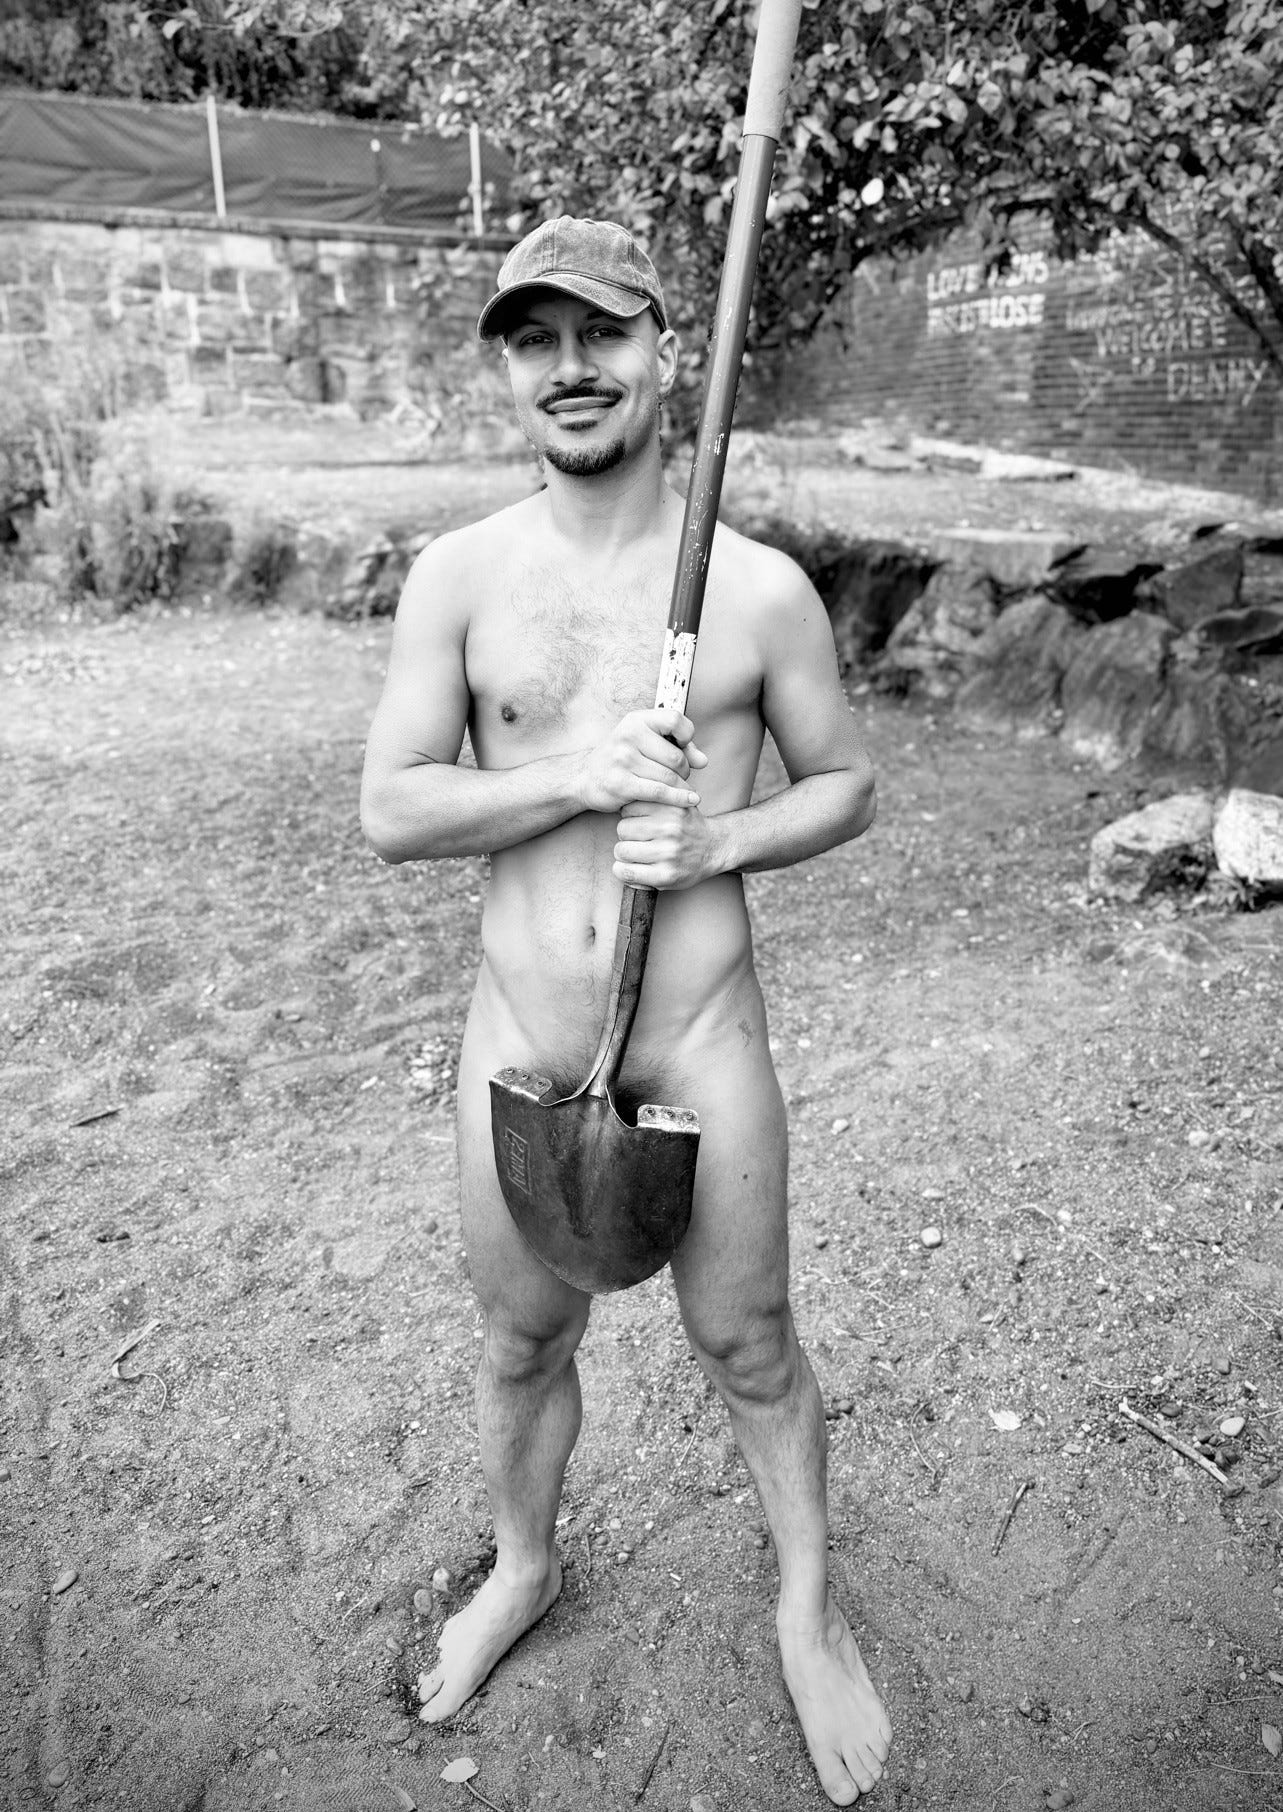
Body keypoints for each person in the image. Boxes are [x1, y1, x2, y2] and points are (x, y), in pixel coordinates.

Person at [360, 216, 891, 1805]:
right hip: (521, 1044)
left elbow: (851, 782)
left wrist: (724, 836)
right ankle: (524, 1561)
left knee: (752, 1342)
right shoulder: (459, 577)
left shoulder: (755, 589)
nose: (570, 370)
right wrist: (577, 776)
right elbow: (393, 807)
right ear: (506, 372)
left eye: (600, 335)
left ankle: (805, 1608)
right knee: (524, 1339)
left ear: (668, 348)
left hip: (701, 1035)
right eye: (535, 341)